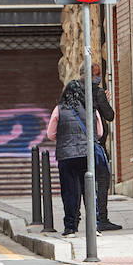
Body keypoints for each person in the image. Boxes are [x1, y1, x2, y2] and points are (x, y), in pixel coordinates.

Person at [46, 80, 106, 238]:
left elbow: (50, 134)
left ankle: (70, 228)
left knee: (70, 192)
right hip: (87, 155)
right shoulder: (92, 109)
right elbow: (99, 133)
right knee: (90, 191)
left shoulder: (59, 110)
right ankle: (95, 226)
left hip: (67, 156)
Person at [90, 63, 121, 232]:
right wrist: (105, 101)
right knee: (102, 180)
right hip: (97, 145)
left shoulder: (74, 92)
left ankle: (77, 221)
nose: (99, 78)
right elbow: (110, 115)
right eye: (97, 75)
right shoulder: (98, 92)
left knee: (84, 183)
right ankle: (102, 218)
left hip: (80, 146)